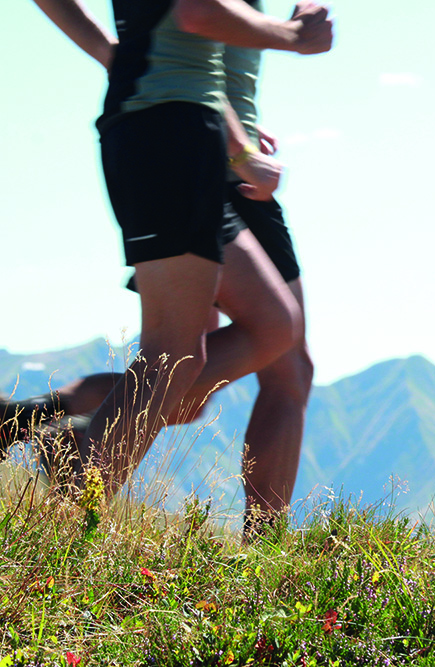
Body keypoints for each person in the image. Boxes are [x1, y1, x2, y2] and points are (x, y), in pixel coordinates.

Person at [8, 0, 333, 512]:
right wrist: (293, 37)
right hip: (180, 138)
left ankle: (53, 433)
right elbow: (197, 15)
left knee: (230, 357)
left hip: (187, 135)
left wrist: (237, 141)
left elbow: (201, 48)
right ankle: (65, 514)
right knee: (182, 357)